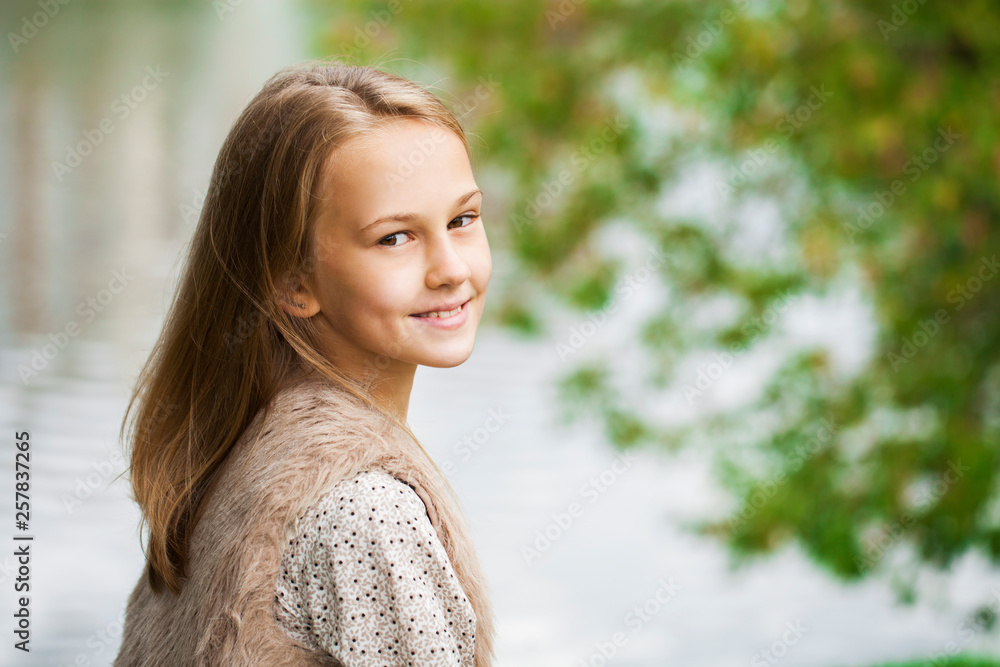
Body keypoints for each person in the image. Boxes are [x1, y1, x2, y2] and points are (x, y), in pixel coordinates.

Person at [112, 60, 497, 666]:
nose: (451, 268)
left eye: (462, 219)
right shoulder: (368, 513)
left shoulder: (230, 451)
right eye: (394, 237)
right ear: (292, 282)